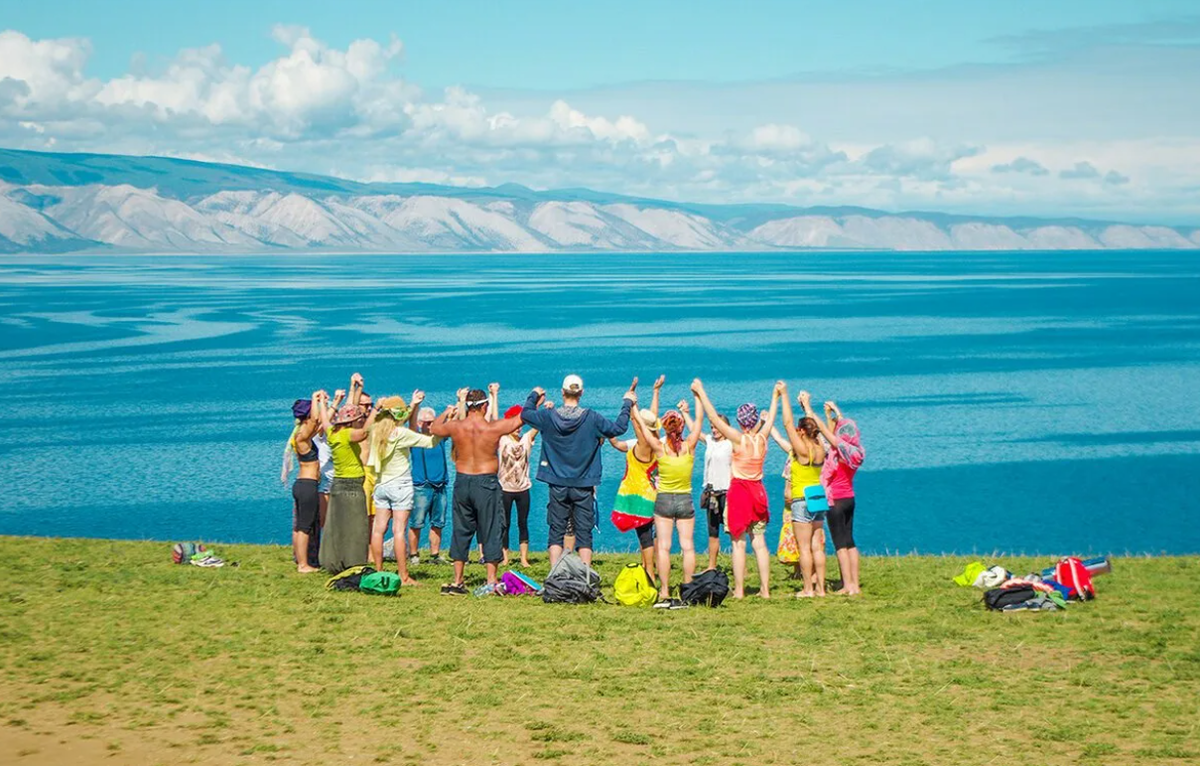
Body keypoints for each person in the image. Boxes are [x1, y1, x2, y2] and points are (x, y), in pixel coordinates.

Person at [521, 375, 635, 568]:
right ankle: (585, 575)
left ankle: (555, 574)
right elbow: (619, 428)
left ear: (562, 393)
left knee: (556, 530)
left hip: (557, 482)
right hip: (583, 483)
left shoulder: (548, 417)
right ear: (581, 393)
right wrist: (627, 403)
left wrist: (534, 395)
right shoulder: (592, 418)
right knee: (584, 531)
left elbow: (525, 414)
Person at [691, 378, 779, 599]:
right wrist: (776, 397)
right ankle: (765, 590)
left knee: (738, 544)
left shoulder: (738, 440)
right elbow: (771, 421)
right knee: (759, 543)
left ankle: (739, 591)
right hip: (758, 492)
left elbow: (713, 418)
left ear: (740, 421)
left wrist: (701, 391)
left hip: (739, 492)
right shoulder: (761, 439)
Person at [430, 389, 523, 595]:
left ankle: (457, 581)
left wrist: (448, 411)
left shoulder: (456, 426)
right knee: (490, 528)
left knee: (461, 530)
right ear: (484, 406)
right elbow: (519, 420)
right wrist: (535, 398)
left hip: (462, 482)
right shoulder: (492, 428)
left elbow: (435, 428)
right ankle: (491, 580)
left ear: (468, 406)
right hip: (486, 482)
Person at [367, 392, 441, 585]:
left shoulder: (375, 430)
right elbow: (430, 442)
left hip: (381, 484)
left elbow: (396, 418)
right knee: (399, 530)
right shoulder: (402, 434)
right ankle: (403, 575)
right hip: (400, 485)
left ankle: (379, 571)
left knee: (378, 530)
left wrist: (413, 405)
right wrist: (444, 426)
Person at [802, 394, 865, 596]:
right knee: (850, 541)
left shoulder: (838, 448)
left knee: (840, 544)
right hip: (850, 499)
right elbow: (846, 429)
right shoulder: (855, 452)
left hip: (835, 501)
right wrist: (837, 412)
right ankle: (855, 584)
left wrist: (809, 409)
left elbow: (821, 429)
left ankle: (848, 585)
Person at [644, 397, 704, 608]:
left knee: (664, 547)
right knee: (687, 546)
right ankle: (687, 587)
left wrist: (633, 409)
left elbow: (644, 431)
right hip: (685, 498)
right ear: (680, 427)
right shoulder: (690, 447)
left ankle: (664, 590)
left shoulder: (660, 449)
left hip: (664, 500)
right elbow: (698, 421)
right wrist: (698, 397)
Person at [608, 375, 665, 581]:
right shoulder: (656, 442)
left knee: (644, 537)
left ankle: (649, 571)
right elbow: (650, 419)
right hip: (653, 493)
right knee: (650, 535)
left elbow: (638, 422)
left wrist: (631, 404)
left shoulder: (643, 446)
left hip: (640, 497)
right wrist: (655, 392)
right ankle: (650, 567)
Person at [318, 392, 378, 573]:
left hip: (337, 484)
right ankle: (354, 563)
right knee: (357, 526)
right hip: (352, 486)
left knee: (337, 525)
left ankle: (333, 560)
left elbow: (325, 420)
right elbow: (364, 433)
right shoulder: (347, 434)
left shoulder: (332, 432)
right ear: (351, 421)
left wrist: (323, 404)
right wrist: (376, 410)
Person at [497, 395, 538, 568]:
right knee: (504, 523)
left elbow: (538, 424)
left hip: (523, 489)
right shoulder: (502, 439)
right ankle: (505, 557)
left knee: (523, 522)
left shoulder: (527, 438)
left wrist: (540, 406)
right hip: (505, 488)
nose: (518, 429)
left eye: (520, 425)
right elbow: (495, 421)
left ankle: (523, 558)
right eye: (515, 425)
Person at [408, 406, 450, 565]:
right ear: (420, 423)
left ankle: (435, 554)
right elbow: (411, 425)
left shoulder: (440, 437)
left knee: (438, 522)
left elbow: (452, 422)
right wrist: (415, 404)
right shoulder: (413, 438)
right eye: (427, 423)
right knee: (416, 523)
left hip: (440, 485)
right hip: (420, 486)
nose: (430, 426)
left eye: (432, 422)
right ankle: (413, 554)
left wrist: (450, 410)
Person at [287, 393, 324, 573]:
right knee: (305, 526)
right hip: (308, 485)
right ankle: (303, 564)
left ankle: (300, 559)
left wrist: (326, 404)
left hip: (302, 484)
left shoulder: (302, 433)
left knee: (299, 525)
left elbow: (321, 422)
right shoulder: (302, 436)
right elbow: (316, 419)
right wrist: (316, 398)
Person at [698, 414, 732, 570]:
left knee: (733, 532)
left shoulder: (731, 443)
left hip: (727, 492)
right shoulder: (710, 442)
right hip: (711, 493)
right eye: (711, 427)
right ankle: (711, 566)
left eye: (717, 427)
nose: (714, 430)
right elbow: (694, 430)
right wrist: (684, 413)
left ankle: (741, 566)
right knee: (713, 532)